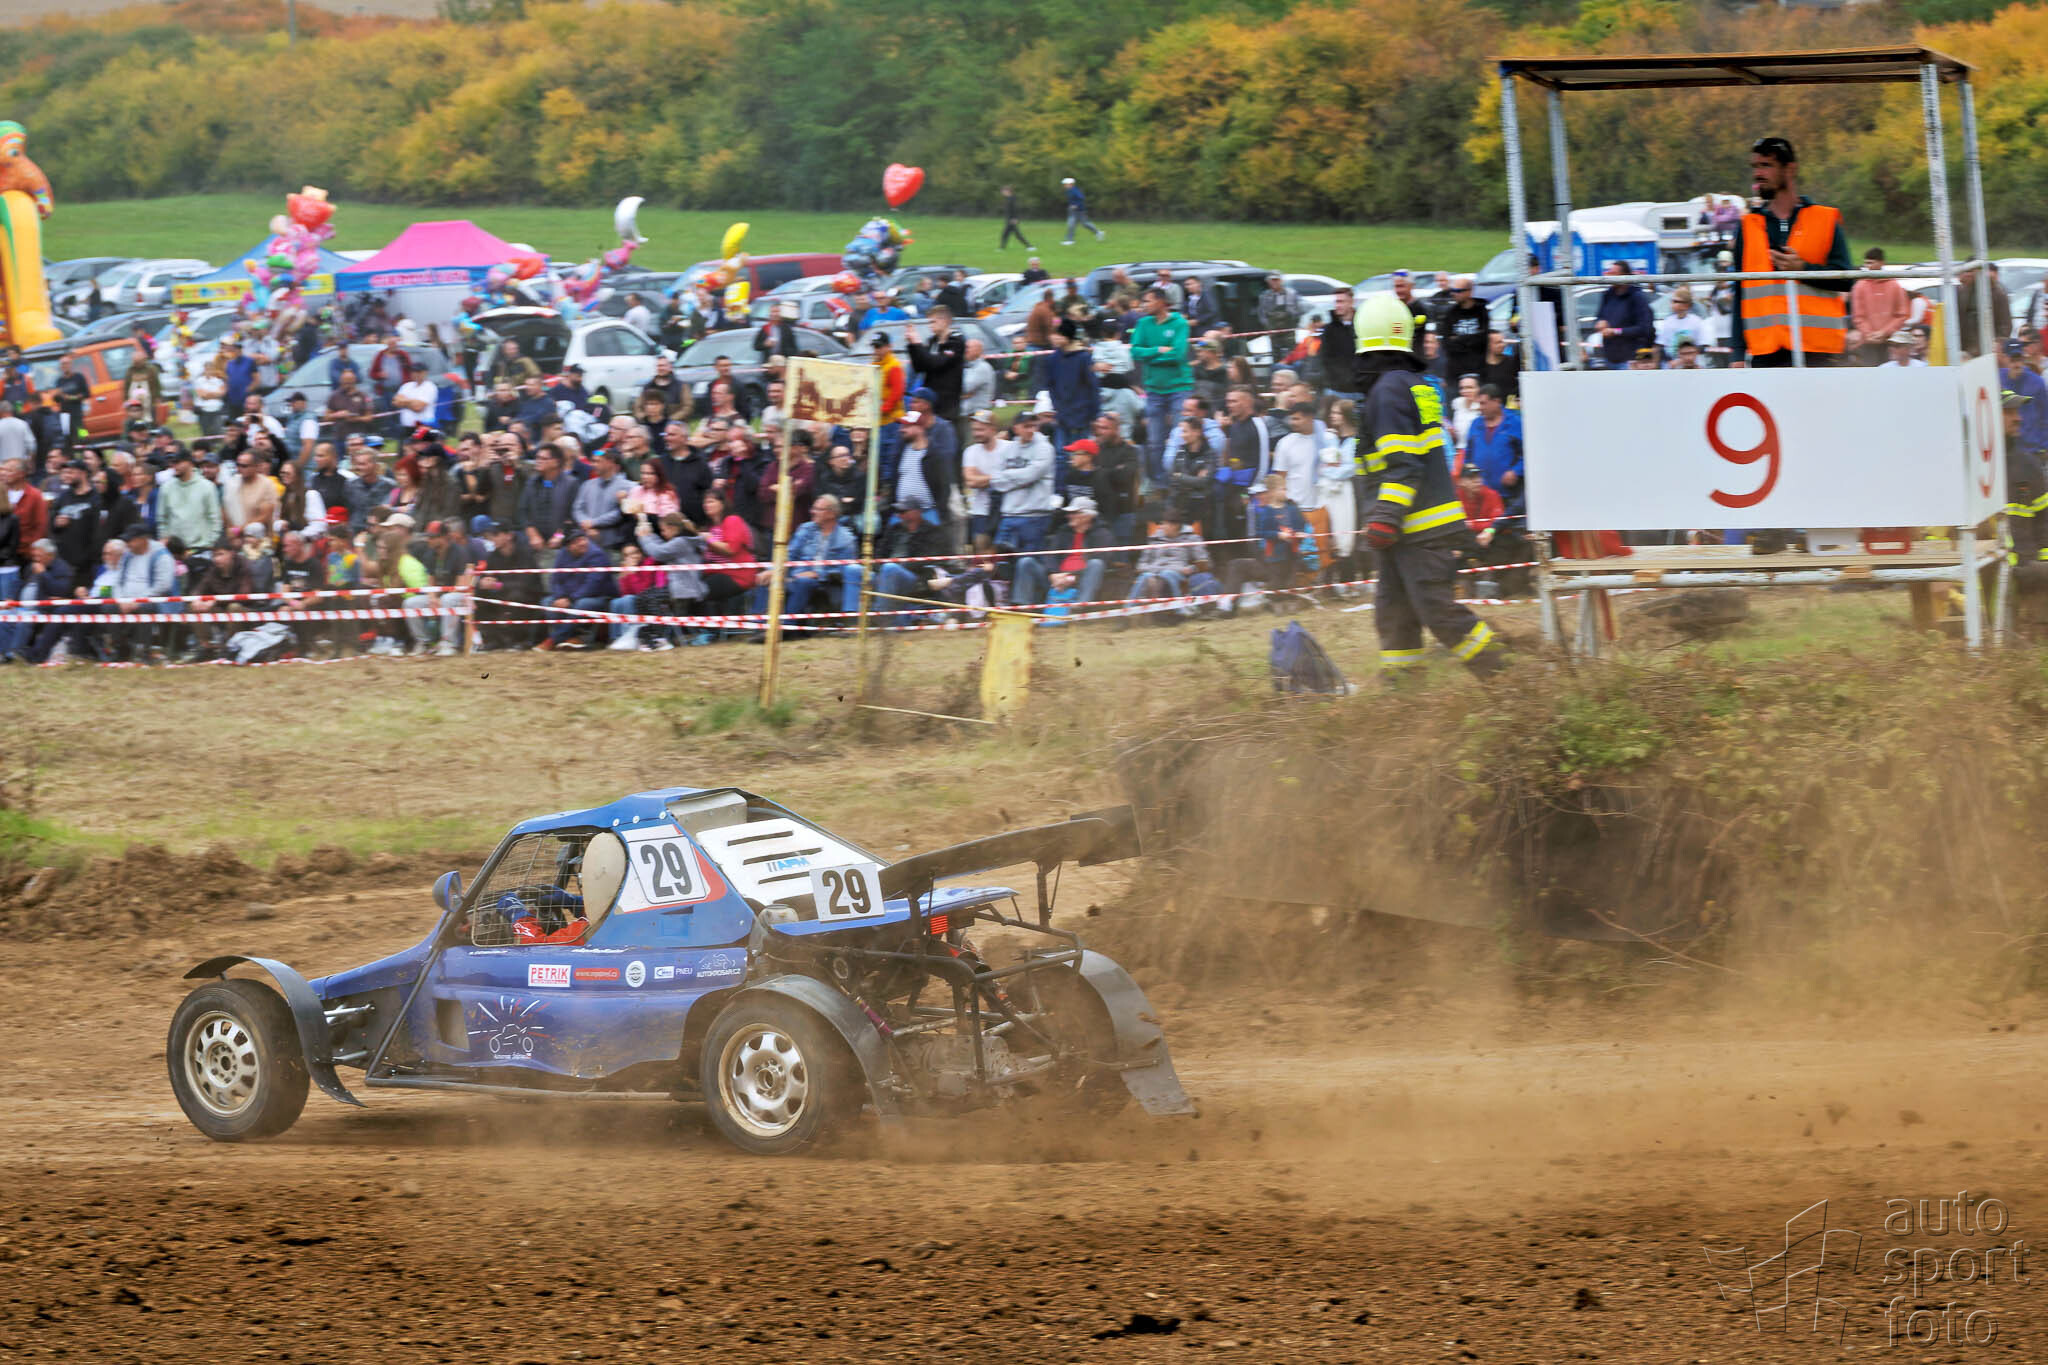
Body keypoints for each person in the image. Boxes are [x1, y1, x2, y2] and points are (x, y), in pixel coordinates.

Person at [1353, 291, 1502, 677]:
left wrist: (1385, 516)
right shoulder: (1412, 384)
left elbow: (1404, 464)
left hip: (1416, 528)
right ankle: (1404, 687)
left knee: (1437, 610)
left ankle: (1505, 675)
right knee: (1395, 613)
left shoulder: (1387, 391)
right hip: (1411, 529)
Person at [1733, 135, 1852, 368]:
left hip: (1818, 352)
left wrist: (1803, 269)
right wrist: (1737, 353)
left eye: (1766, 165)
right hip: (1766, 352)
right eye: (1755, 166)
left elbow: (1847, 279)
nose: (1758, 173)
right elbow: (1739, 291)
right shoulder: (1747, 226)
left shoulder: (1825, 219)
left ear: (1790, 169)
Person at [1131, 287, 1192, 486]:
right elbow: (1135, 352)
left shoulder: (1180, 323)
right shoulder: (1143, 323)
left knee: (1180, 437)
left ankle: (1181, 481)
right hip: (1154, 390)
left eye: (1148, 301)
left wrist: (1150, 359)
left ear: (1160, 302)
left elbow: (1178, 354)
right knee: (1154, 441)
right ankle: (1160, 483)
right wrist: (1158, 350)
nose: (1144, 305)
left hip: (1179, 387)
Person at [1014, 494, 1112, 608]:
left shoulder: (1102, 534)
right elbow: (1050, 555)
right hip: (1056, 579)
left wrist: (1071, 576)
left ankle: (1079, 607)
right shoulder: (1063, 532)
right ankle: (1022, 606)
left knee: (1096, 564)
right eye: (1069, 513)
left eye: (1074, 513)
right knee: (1026, 562)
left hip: (1080, 580)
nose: (1069, 516)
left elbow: (1101, 561)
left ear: (1087, 516)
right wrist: (1053, 574)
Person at [781, 493, 863, 621]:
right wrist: (775, 571)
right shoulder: (805, 529)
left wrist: (817, 574)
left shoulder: (846, 539)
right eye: (813, 508)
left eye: (818, 509)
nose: (812, 512)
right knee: (768, 578)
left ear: (831, 514)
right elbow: (790, 554)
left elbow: (844, 571)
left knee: (804, 582)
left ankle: (786, 626)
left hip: (826, 584)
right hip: (795, 576)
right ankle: (758, 625)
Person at [538, 528, 614, 651]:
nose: (582, 543)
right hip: (569, 596)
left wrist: (570, 599)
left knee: (582, 604)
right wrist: (560, 597)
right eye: (576, 542)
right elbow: (555, 579)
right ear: (568, 546)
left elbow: (592, 585)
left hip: (598, 597)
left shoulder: (597, 555)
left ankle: (554, 639)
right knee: (547, 602)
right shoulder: (563, 554)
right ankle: (572, 638)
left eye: (583, 539)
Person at [990, 411, 1057, 551]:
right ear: (1016, 428)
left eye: (1034, 426)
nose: (1031, 430)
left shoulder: (1045, 448)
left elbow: (1031, 475)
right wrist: (1022, 477)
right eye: (1026, 426)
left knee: (1027, 561)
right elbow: (995, 481)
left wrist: (1007, 475)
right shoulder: (1007, 449)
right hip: (1009, 515)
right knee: (1002, 561)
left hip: (1035, 516)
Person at [1847, 248, 1912, 366]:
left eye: (1871, 263)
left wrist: (1884, 332)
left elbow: (1902, 314)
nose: (1868, 266)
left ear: (1881, 263)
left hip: (1891, 342)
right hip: (1868, 342)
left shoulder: (1894, 285)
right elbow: (1858, 315)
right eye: (1866, 263)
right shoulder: (1860, 286)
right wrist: (1869, 333)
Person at [1592, 263, 1655, 369]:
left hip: (1631, 358)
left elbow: (1644, 328)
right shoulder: (1608, 295)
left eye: (1613, 273)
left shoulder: (1637, 297)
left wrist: (1616, 331)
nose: (1609, 276)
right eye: (1609, 272)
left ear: (1624, 275)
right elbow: (1599, 317)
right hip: (1610, 356)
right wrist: (1599, 322)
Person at [1059, 176, 1104, 246]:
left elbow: (1081, 198)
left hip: (1079, 211)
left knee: (1084, 224)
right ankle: (1070, 240)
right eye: (1064, 184)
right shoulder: (1069, 191)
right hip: (1073, 211)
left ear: (1070, 184)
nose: (1064, 185)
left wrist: (1076, 205)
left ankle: (1098, 232)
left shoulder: (1075, 190)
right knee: (1071, 224)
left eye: (1065, 184)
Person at [998, 184, 1032, 251]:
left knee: (1015, 235)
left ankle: (1030, 247)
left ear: (1008, 191)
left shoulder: (1012, 199)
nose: (1002, 193)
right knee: (1007, 234)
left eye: (1003, 191)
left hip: (1012, 220)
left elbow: (1016, 209)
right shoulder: (1008, 199)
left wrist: (1016, 218)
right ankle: (1002, 248)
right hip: (1009, 220)